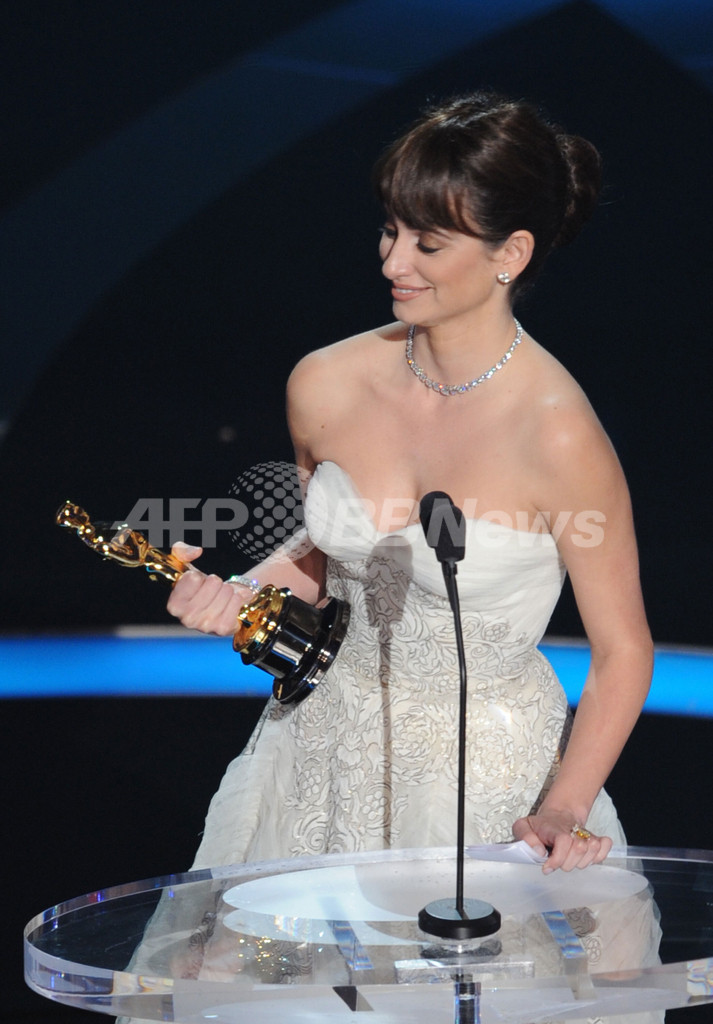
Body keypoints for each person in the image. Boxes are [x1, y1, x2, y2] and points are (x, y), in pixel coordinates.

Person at [167, 92, 653, 876]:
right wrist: (238, 592)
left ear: (509, 253)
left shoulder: (557, 434)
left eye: (427, 243)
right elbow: (324, 557)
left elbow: (622, 650)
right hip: (318, 750)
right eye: (390, 230)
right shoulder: (325, 383)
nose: (393, 263)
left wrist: (563, 807)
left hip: (483, 785)